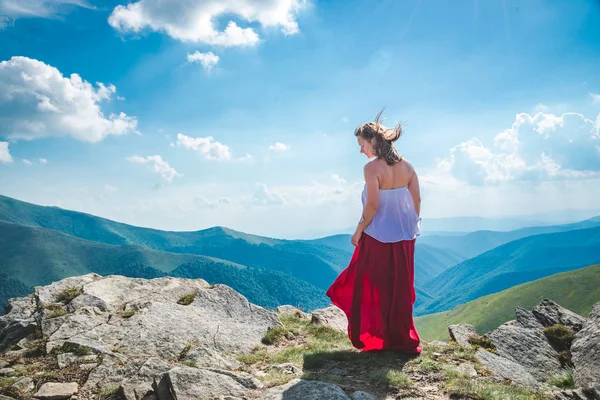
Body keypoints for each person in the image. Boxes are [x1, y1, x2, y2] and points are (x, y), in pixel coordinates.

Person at [326, 109, 422, 354]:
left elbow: (373, 205)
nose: (361, 150)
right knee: (400, 287)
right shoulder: (408, 167)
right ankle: (400, 337)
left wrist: (358, 231)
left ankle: (376, 337)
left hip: (377, 234)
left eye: (362, 144)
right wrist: (412, 224)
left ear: (374, 142)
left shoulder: (371, 169)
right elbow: (417, 200)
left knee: (367, 283)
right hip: (405, 236)